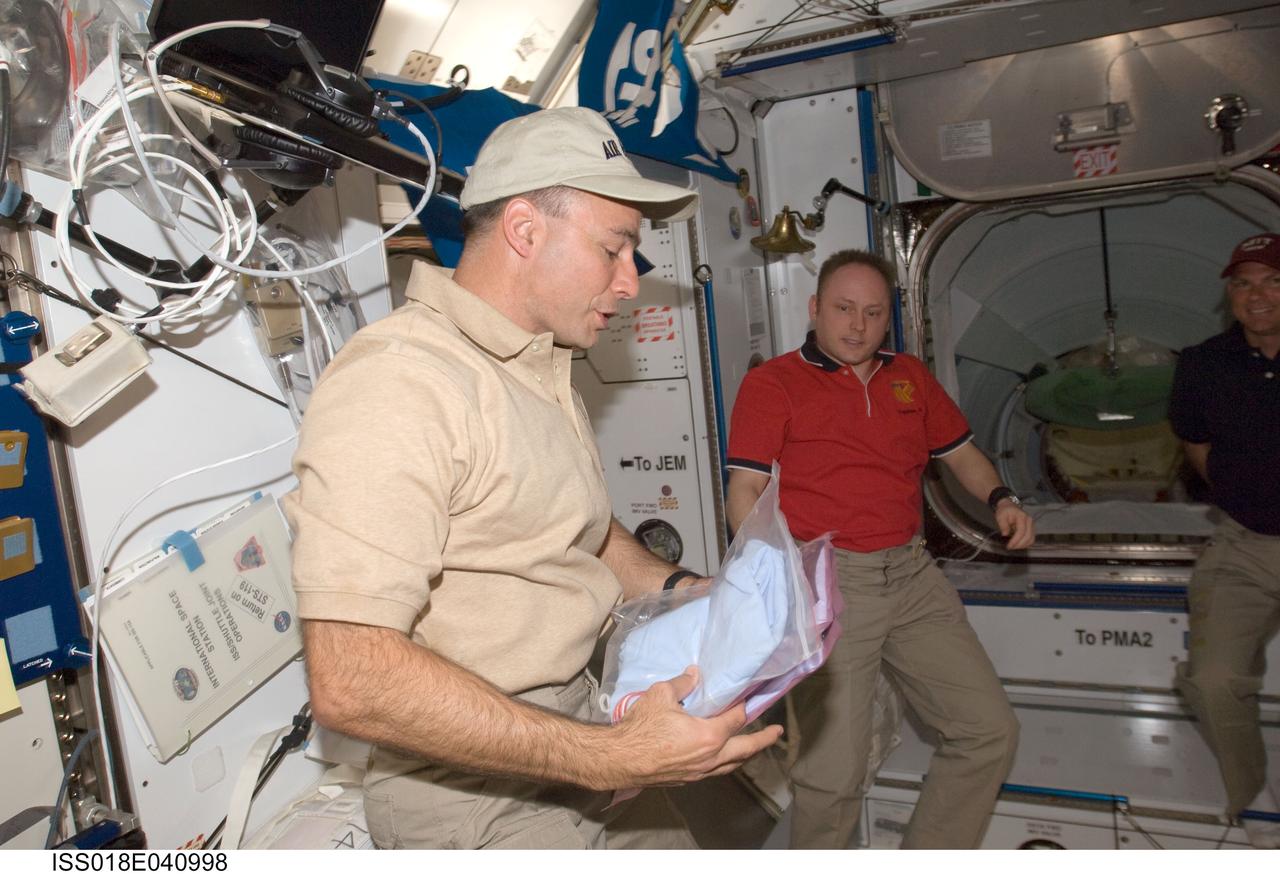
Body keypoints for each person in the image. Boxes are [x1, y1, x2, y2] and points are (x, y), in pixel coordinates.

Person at [283, 106, 782, 850]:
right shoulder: (401, 382)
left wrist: (687, 591)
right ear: (524, 229)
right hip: (472, 790)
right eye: (613, 249)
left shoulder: (538, 368)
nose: (630, 281)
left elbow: (575, 528)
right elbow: (353, 678)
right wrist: (613, 755)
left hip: (579, 738)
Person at [725, 249, 1034, 849]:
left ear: (888, 319)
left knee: (987, 731)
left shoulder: (908, 376)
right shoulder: (774, 383)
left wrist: (1002, 498)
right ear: (814, 309)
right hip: (833, 583)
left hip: (913, 575)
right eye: (843, 309)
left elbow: (961, 455)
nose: (857, 326)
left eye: (872, 313)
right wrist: (773, 575)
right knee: (832, 777)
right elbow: (745, 488)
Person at [1169, 232, 1280, 849]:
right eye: (1243, 283)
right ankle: (1255, 799)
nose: (1257, 295)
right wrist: (1245, 493)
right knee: (1212, 681)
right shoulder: (1204, 363)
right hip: (1245, 543)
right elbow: (1196, 443)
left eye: (1274, 281)